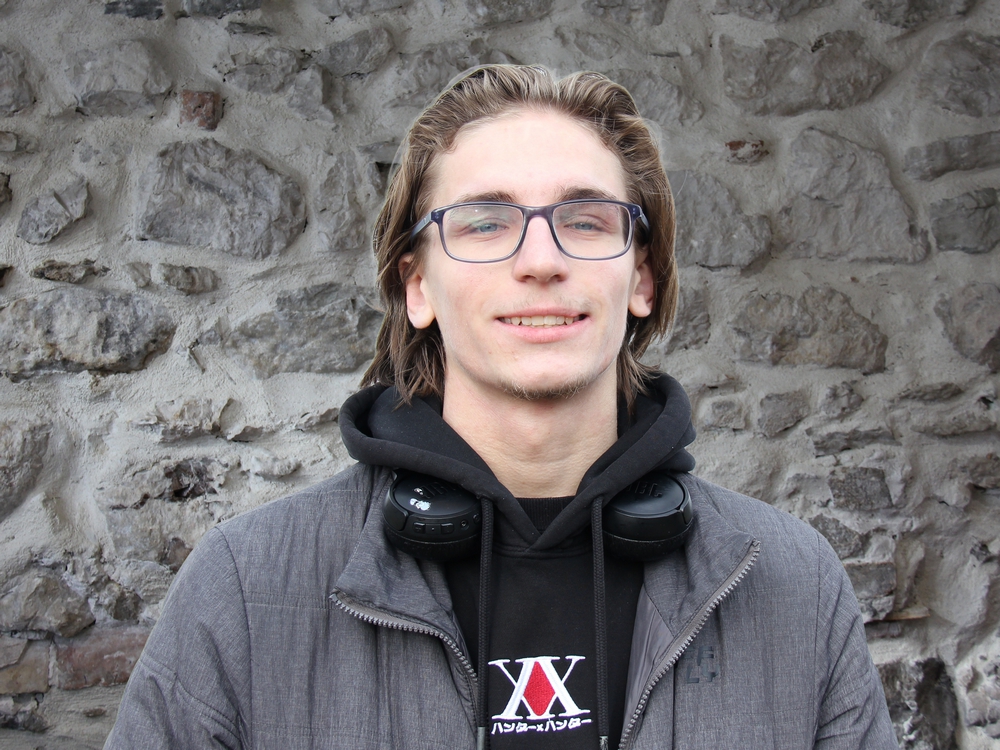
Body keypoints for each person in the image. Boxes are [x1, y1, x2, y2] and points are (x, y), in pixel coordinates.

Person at [105, 65, 898, 749]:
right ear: (418, 286)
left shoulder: (794, 585)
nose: (540, 260)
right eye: (486, 223)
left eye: (585, 219)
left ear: (642, 279)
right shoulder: (245, 589)